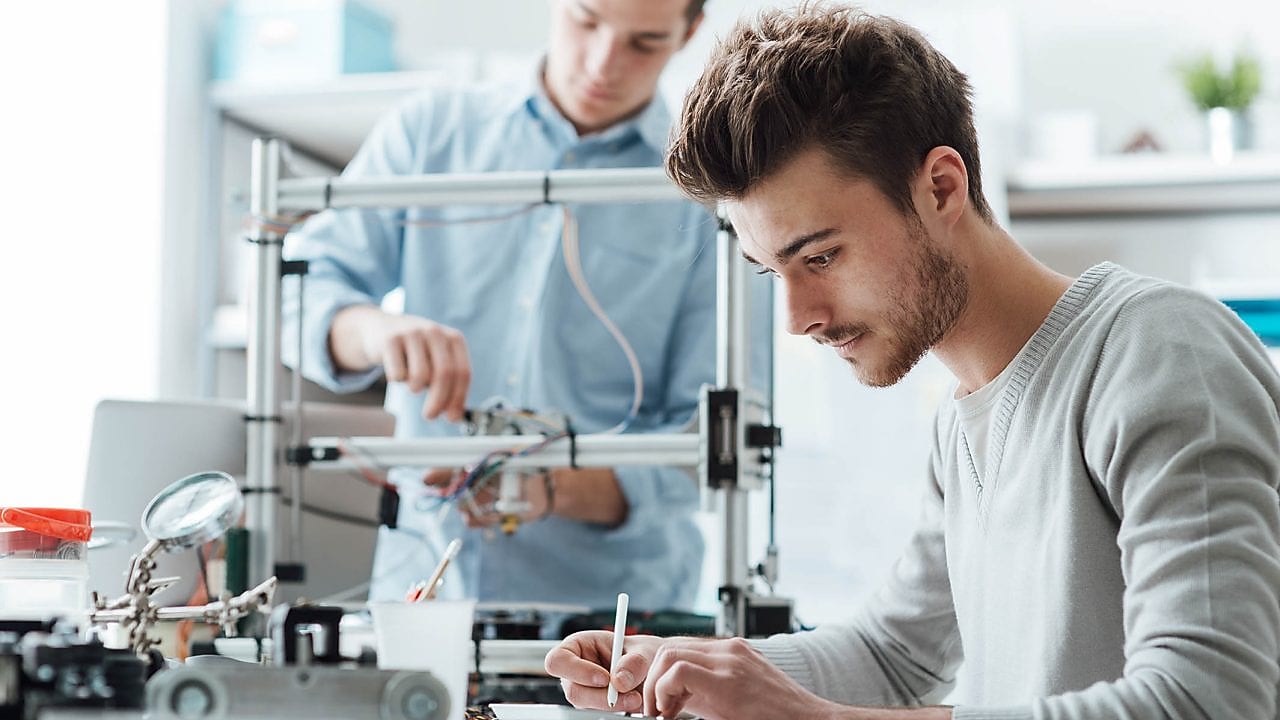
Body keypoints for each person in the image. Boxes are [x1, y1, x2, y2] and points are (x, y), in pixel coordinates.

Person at [546, 5, 1280, 719]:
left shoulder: (1159, 351)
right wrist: (685, 663)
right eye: (775, 273)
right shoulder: (962, 421)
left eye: (822, 256)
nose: (799, 317)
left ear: (941, 187)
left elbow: (1206, 700)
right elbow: (895, 656)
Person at [282, 0, 738, 612]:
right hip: (419, 590)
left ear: (689, 32)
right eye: (587, 20)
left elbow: (717, 436)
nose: (603, 63)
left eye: (644, 42)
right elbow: (294, 290)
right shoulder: (431, 133)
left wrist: (555, 489)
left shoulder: (711, 191)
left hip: (616, 618)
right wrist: (373, 331)